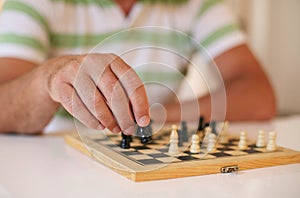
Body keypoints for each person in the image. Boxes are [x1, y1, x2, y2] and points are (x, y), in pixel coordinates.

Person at [0, 0, 276, 135]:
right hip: (56, 168)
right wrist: (49, 79)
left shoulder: (198, 4)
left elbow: (258, 96)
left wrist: (149, 118)